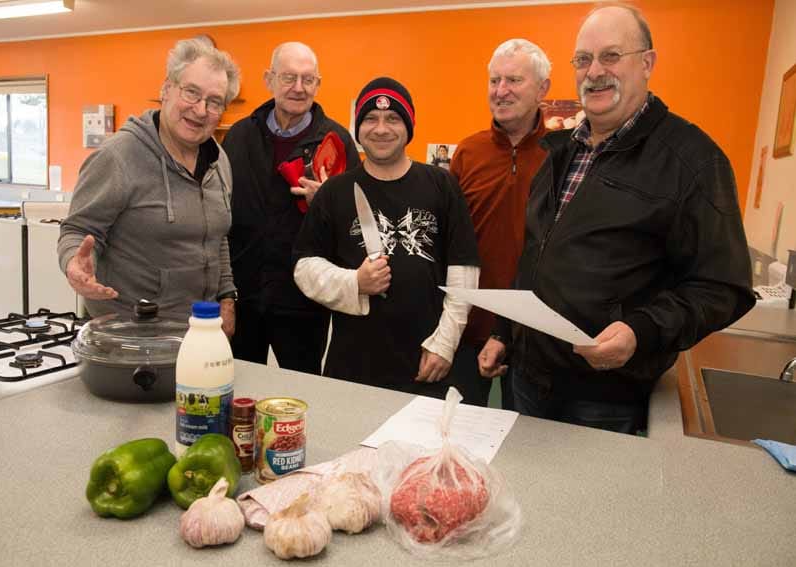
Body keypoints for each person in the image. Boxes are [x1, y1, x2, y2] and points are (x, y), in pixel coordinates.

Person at [478, 4, 755, 433]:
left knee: (592, 502)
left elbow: (723, 287)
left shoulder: (693, 162)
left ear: (647, 64)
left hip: (604, 397)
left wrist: (640, 331)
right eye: (584, 59)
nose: (594, 71)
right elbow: (535, 260)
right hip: (529, 380)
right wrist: (503, 333)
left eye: (611, 56)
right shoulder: (558, 154)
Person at [292, 77, 481, 399]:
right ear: (358, 127)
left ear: (409, 126)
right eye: (370, 118)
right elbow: (304, 266)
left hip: (426, 360)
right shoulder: (335, 192)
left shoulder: (441, 184)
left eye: (393, 118)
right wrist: (355, 282)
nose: (381, 128)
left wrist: (444, 345)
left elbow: (464, 271)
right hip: (352, 364)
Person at [58, 38, 240, 334]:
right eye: (191, 93)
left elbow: (216, 237)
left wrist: (227, 297)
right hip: (129, 333)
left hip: (198, 330)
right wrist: (75, 265)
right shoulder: (118, 156)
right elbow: (78, 231)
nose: (201, 109)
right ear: (167, 89)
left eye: (214, 101)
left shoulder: (219, 161)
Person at [221, 42, 360, 374]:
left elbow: (354, 229)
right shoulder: (239, 136)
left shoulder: (338, 142)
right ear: (269, 80)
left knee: (302, 394)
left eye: (308, 79)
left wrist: (326, 207)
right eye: (288, 77)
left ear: (318, 84)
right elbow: (218, 215)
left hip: (304, 304)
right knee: (238, 387)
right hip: (243, 298)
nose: (298, 88)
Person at [449, 38, 551, 407]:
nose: (501, 91)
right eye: (495, 81)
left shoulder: (562, 154)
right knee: (459, 439)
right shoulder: (467, 152)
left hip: (535, 334)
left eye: (513, 80)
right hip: (468, 329)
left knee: (525, 446)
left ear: (543, 89)